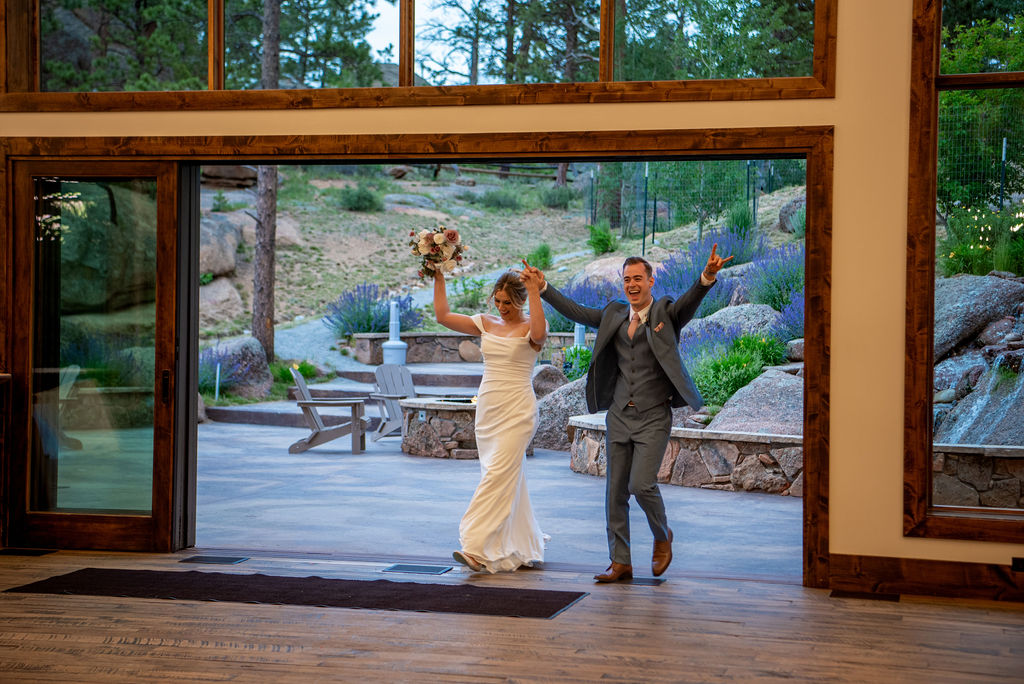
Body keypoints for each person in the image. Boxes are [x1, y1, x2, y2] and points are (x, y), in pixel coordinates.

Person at [521, 246, 733, 583]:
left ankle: (662, 536)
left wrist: (706, 277)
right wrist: (545, 288)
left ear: (650, 281)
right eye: (626, 279)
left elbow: (689, 302)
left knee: (641, 483)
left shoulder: (665, 312)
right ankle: (620, 562)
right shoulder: (614, 314)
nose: (631, 284)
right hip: (619, 415)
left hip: (653, 416)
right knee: (615, 491)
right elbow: (576, 311)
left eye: (638, 278)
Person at [431, 266, 549, 573]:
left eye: (507, 302)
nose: (501, 308)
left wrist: (535, 289)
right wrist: (439, 276)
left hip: (518, 410)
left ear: (521, 300)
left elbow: (539, 336)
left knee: (496, 475)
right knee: (506, 479)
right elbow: (443, 316)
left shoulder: (530, 326)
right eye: (497, 301)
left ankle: (475, 547)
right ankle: (519, 544)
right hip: (489, 409)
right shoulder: (486, 323)